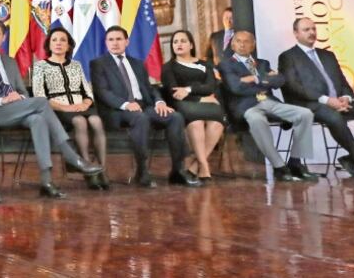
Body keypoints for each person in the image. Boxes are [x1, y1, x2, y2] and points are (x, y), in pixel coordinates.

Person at [0, 20, 102, 198]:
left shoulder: (10, 62)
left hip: (16, 109)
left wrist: (17, 97)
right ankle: (71, 156)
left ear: (3, 37)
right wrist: (2, 100)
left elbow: (23, 91)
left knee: (38, 119)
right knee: (42, 103)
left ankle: (47, 181)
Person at [278, 17, 354, 177]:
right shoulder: (288, 57)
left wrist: (346, 97)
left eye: (313, 29)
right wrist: (326, 100)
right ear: (296, 33)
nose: (312, 32)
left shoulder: (328, 55)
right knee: (333, 117)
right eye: (306, 30)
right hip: (311, 105)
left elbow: (342, 81)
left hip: (340, 103)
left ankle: (351, 158)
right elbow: (293, 87)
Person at [90, 26, 200, 188]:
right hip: (117, 110)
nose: (115, 43)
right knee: (140, 118)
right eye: (110, 40)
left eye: (119, 39)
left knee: (175, 117)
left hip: (144, 106)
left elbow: (149, 88)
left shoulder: (137, 63)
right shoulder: (98, 64)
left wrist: (159, 102)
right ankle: (142, 170)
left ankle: (177, 171)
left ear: (126, 42)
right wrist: (126, 104)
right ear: (106, 42)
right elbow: (102, 92)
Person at [219, 30, 317, 182]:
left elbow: (280, 80)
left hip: (270, 102)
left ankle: (295, 163)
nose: (242, 44)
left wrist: (254, 78)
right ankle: (279, 166)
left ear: (253, 45)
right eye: (238, 41)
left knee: (305, 114)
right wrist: (265, 80)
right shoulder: (226, 65)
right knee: (257, 119)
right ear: (232, 44)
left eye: (246, 41)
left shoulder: (263, 63)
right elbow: (235, 87)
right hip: (246, 107)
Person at [31, 27, 109, 190]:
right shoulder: (40, 66)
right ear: (49, 44)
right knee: (80, 121)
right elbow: (40, 97)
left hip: (80, 106)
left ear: (68, 46)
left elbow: (87, 91)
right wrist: (65, 108)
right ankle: (88, 171)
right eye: (54, 40)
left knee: (96, 120)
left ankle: (102, 170)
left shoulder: (76, 65)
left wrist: (85, 103)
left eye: (63, 40)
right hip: (57, 109)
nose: (58, 43)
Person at [161, 30, 225, 181]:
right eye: (175, 42)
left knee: (217, 123)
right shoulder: (169, 67)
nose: (179, 44)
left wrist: (189, 90)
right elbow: (174, 92)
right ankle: (204, 166)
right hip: (182, 104)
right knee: (196, 122)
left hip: (205, 102)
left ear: (191, 45)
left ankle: (196, 166)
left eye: (183, 41)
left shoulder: (204, 64)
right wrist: (202, 98)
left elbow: (210, 87)